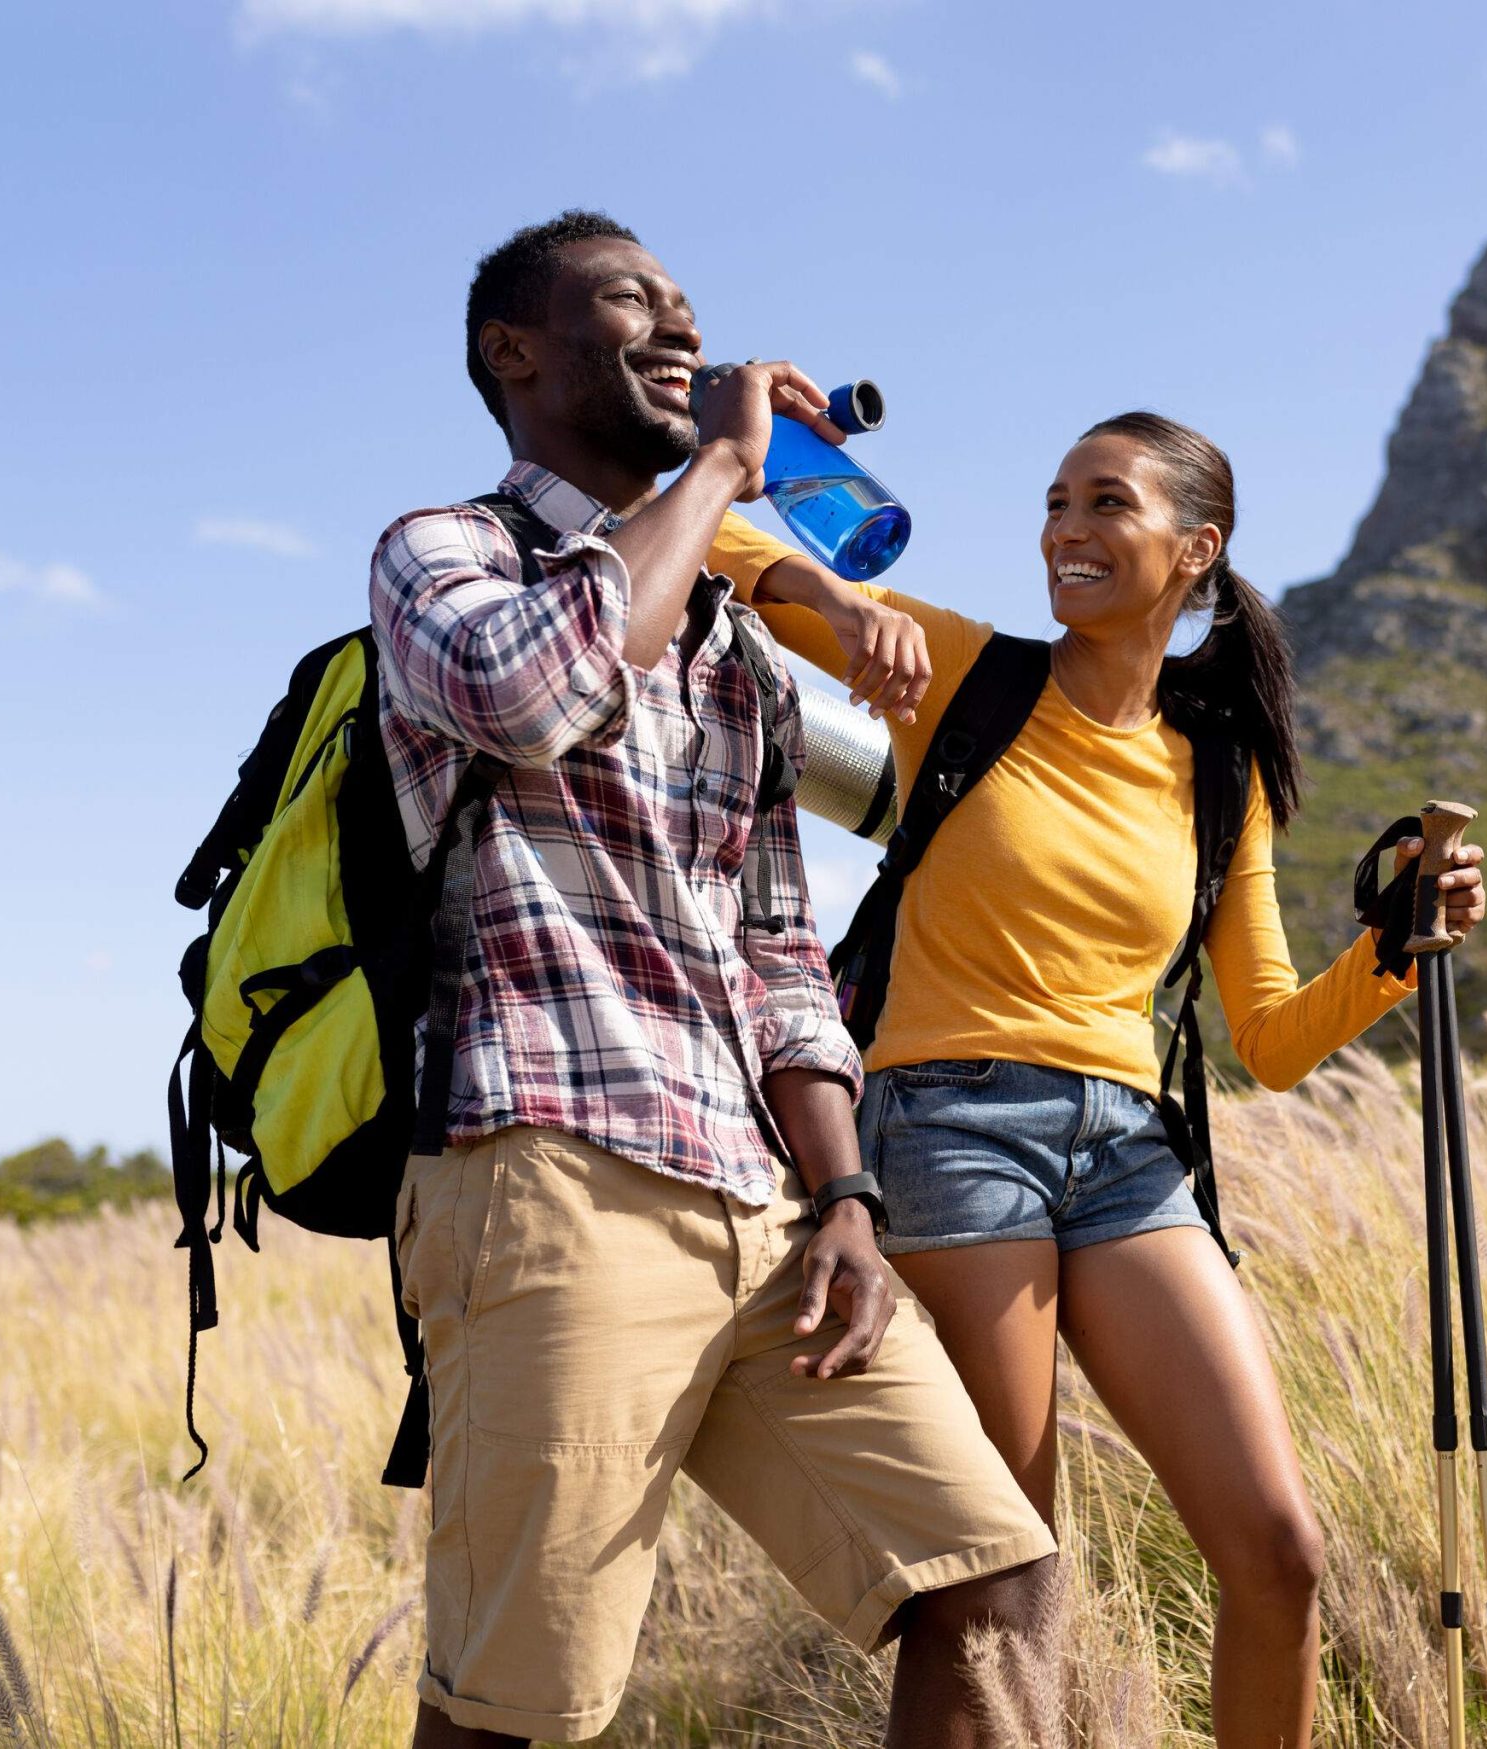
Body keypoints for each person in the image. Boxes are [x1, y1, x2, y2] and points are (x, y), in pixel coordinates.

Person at [371, 210, 1057, 1749]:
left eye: (691, 306)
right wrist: (727, 471)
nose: (682, 329)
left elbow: (778, 954)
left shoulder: (735, 651)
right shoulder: (446, 553)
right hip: (550, 1174)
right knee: (517, 1709)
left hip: (764, 1210)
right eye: (633, 302)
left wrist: (847, 1200)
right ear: (517, 351)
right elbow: (531, 691)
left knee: (995, 1588)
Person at [739, 410, 1487, 1748]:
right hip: (949, 1124)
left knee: (1280, 1552)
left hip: (1131, 1151)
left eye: (1104, 505)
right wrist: (823, 582)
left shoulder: (1221, 768)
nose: (1063, 531)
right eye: (1054, 503)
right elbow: (711, 558)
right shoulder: (964, 670)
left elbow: (1263, 1032)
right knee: (997, 1583)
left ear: (1195, 548)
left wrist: (1392, 946)